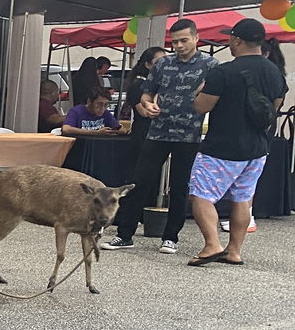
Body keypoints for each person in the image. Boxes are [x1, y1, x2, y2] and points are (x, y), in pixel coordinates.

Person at [103, 22, 212, 254]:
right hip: (158, 131)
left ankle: (171, 237)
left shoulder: (210, 65)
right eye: (175, 41)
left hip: (189, 134)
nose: (179, 46)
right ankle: (125, 234)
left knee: (179, 186)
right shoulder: (163, 63)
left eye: (184, 40)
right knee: (140, 181)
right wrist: (147, 104)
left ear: (196, 38)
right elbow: (147, 93)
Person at [185, 18, 285, 265]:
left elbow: (201, 107)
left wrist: (198, 91)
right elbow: (274, 107)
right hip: (257, 148)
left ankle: (212, 244)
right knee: (242, 198)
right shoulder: (274, 71)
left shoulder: (224, 72)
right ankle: (234, 251)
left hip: (222, 146)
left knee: (201, 194)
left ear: (237, 40)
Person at [120, 46, 164, 136]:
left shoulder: (157, 83)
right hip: (143, 132)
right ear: (148, 65)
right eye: (158, 61)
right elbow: (144, 112)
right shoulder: (138, 84)